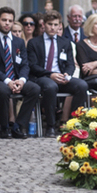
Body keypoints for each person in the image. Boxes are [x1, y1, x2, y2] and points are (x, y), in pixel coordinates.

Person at [0, 6, 41, 139]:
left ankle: (18, 126)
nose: (7, 23)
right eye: (4, 20)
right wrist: (8, 81)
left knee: (35, 88)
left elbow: (25, 64)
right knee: (3, 91)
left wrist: (22, 80)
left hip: (17, 78)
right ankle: (4, 127)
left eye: (10, 20)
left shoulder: (19, 42)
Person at [27, 10, 86, 138]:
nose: (52, 27)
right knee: (50, 87)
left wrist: (67, 75)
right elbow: (33, 66)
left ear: (60, 25)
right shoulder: (34, 43)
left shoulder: (65, 42)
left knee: (81, 85)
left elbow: (71, 63)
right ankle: (50, 126)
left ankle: (73, 123)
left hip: (61, 77)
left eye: (55, 25)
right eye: (50, 24)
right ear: (44, 25)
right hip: (43, 77)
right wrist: (50, 74)